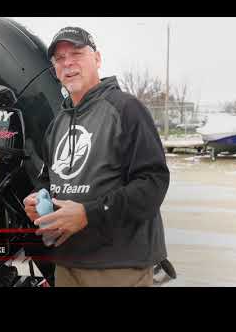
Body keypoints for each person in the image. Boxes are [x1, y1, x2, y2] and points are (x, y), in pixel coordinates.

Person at [23, 26, 170, 287]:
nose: (68, 63)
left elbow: (153, 183)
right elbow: (49, 181)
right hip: (67, 265)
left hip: (118, 266)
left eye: (77, 53)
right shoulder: (57, 124)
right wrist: (40, 203)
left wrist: (90, 214)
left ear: (97, 59)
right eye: (59, 59)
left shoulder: (126, 109)